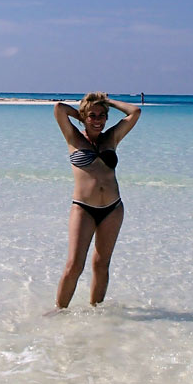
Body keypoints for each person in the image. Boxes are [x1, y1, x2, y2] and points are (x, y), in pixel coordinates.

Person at [53, 92, 141, 308]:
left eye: (102, 115)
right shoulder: (73, 137)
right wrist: (83, 115)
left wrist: (107, 102)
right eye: (92, 115)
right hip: (83, 209)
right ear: (84, 117)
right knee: (74, 265)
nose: (98, 120)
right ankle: (59, 312)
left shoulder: (111, 137)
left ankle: (97, 314)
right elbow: (59, 108)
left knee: (101, 264)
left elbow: (135, 112)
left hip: (113, 209)